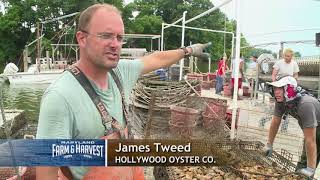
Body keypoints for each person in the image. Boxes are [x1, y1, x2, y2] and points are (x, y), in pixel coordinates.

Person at [35, 3, 210, 180]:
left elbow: (156, 59)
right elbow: (46, 171)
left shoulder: (119, 73)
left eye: (119, 38)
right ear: (81, 38)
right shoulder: (60, 97)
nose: (115, 44)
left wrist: (189, 50)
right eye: (106, 36)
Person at [263, 76, 320, 178]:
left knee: (307, 164)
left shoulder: (305, 104)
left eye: (280, 88)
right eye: (275, 89)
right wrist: (269, 144)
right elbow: (275, 122)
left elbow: (310, 139)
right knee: (304, 164)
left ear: (289, 89)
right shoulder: (282, 101)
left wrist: (310, 168)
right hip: (313, 127)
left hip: (317, 128)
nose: (276, 92)